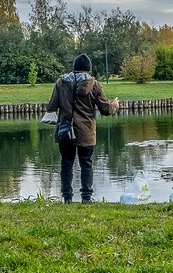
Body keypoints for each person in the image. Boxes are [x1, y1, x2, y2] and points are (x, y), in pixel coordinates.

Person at [46, 53, 120, 203]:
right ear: (88, 69)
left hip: (65, 130)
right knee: (86, 163)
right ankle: (86, 198)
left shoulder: (61, 82)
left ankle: (67, 198)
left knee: (66, 163)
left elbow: (51, 107)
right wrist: (115, 105)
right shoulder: (93, 84)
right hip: (85, 131)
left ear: (74, 68)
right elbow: (106, 110)